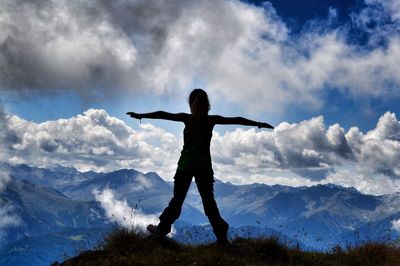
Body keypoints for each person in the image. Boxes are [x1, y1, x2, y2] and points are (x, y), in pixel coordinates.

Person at [127, 88, 273, 244]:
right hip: (204, 167)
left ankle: (162, 229)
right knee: (209, 202)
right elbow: (237, 119)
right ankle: (221, 236)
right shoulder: (211, 120)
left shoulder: (187, 118)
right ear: (207, 105)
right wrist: (258, 124)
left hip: (186, 166)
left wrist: (141, 115)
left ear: (191, 104)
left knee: (177, 200)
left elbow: (163, 114)